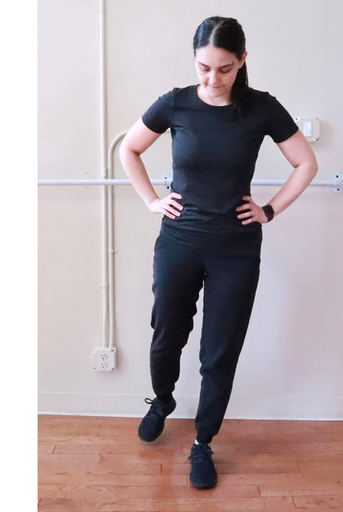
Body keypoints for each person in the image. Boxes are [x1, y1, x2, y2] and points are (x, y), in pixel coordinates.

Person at [118, 16, 317, 490]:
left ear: (242, 61)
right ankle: (162, 399)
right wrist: (151, 200)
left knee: (219, 350)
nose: (212, 79)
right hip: (179, 242)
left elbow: (306, 163)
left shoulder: (261, 108)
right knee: (167, 333)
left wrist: (269, 210)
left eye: (224, 69)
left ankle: (203, 442)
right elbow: (129, 149)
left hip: (236, 249)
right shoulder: (176, 103)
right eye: (204, 67)